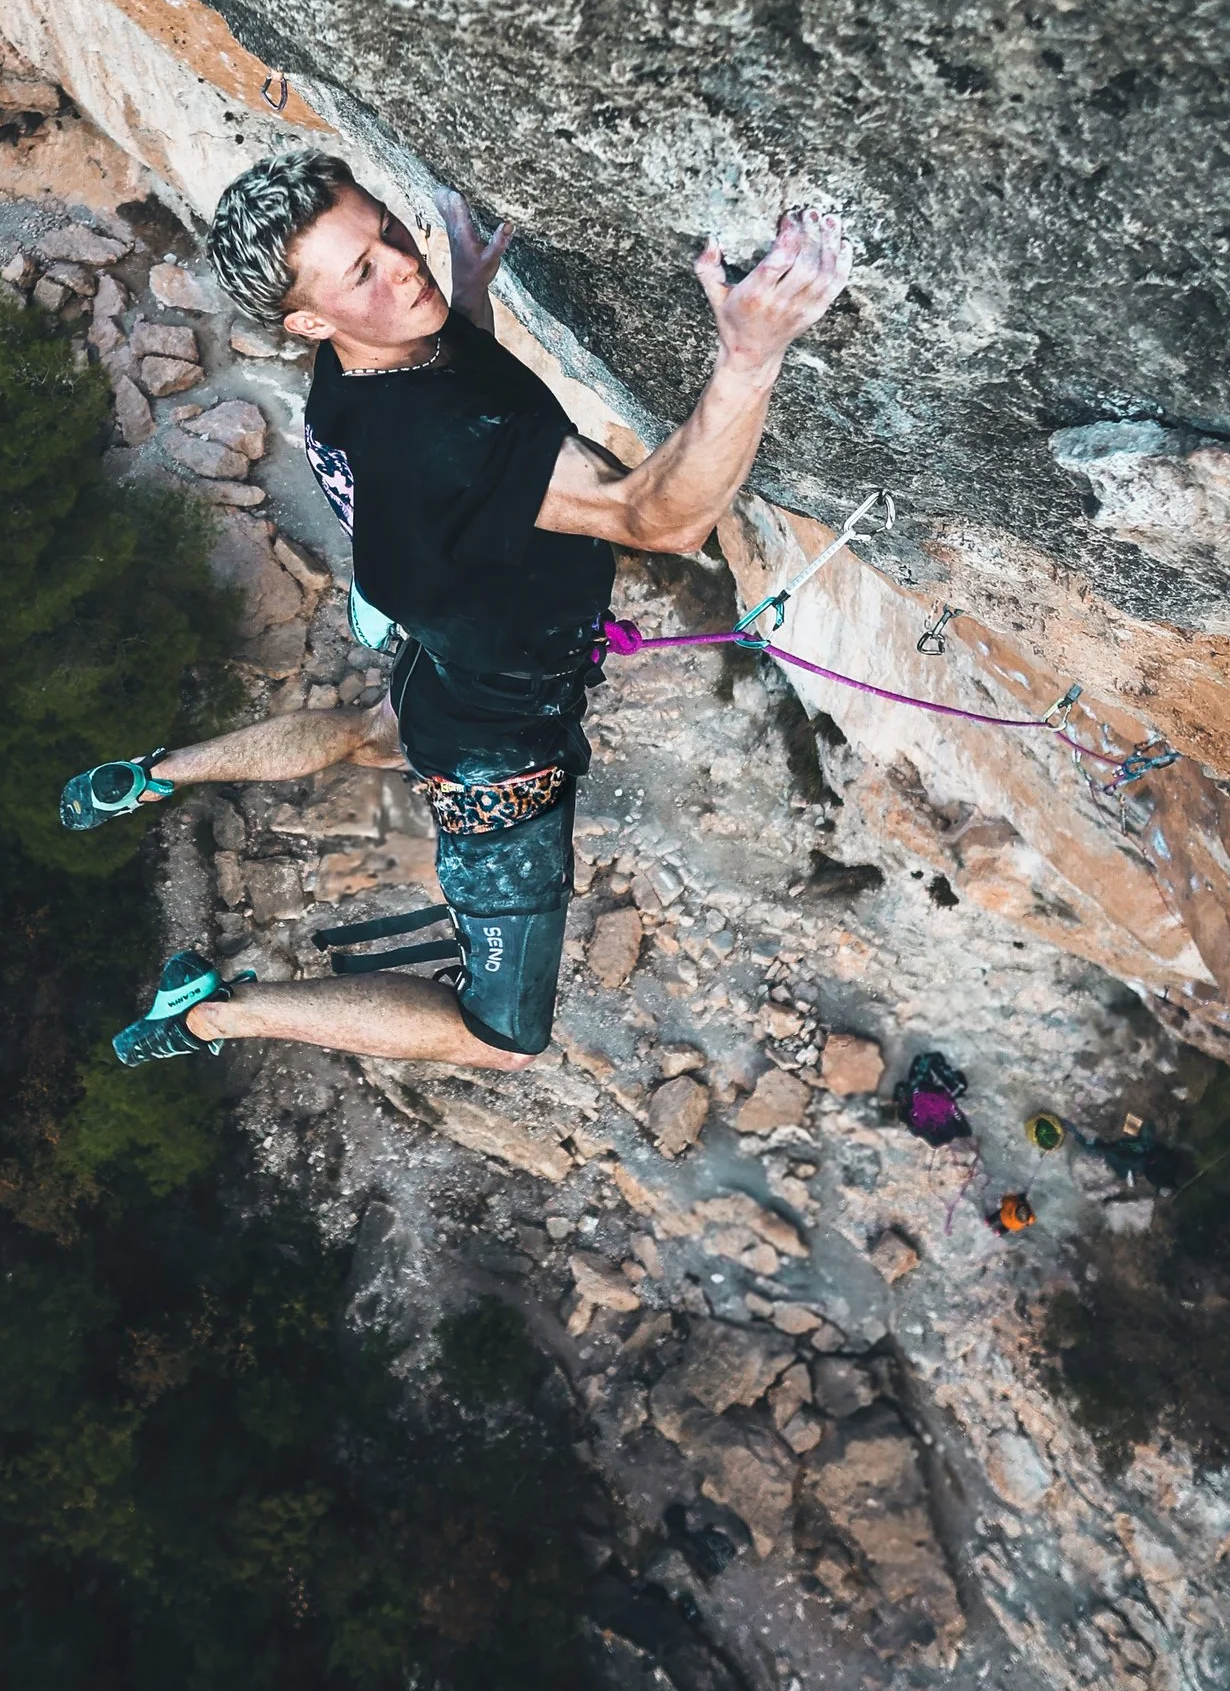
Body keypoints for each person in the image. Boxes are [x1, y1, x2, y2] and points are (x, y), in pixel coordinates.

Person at [63, 153, 848, 1072]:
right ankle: (207, 1017)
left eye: (387, 231)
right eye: (364, 272)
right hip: (496, 752)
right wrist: (751, 356)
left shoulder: (357, 367)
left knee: (375, 728)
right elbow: (661, 518)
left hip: (444, 656)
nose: (404, 264)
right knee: (503, 1037)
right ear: (309, 320)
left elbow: (447, 393)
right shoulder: (442, 447)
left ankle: (151, 776)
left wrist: (466, 299)